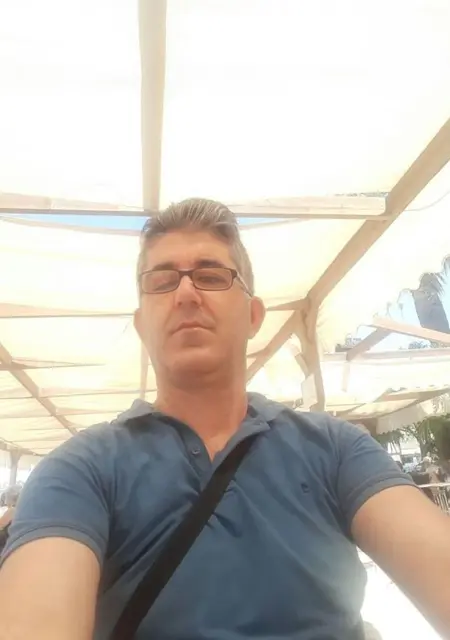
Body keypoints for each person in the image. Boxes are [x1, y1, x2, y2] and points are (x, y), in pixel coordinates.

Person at [0, 199, 449, 639]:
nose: (185, 294)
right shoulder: (80, 470)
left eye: (211, 276)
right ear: (141, 325)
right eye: (162, 281)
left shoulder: (335, 450)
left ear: (253, 316)